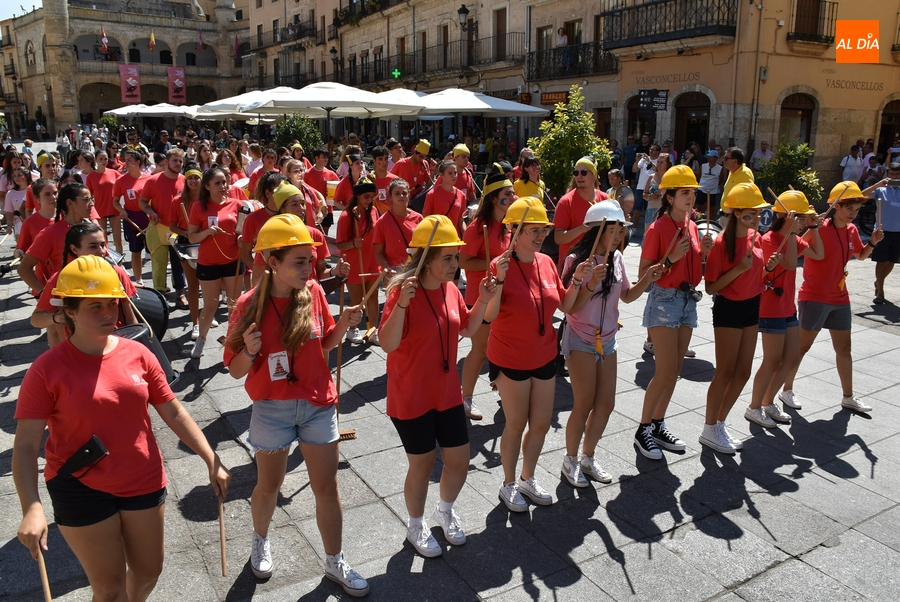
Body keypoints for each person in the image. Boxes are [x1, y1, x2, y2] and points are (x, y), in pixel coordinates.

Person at [14, 255, 230, 602]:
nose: (107, 314)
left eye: (112, 304)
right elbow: (26, 445)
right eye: (94, 306)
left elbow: (173, 410)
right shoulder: (45, 369)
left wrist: (211, 458)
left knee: (148, 572)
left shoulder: (139, 353)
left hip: (142, 476)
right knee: (110, 590)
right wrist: (31, 506)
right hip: (79, 484)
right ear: (69, 312)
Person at [223, 214, 368, 596]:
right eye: (300, 261)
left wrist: (344, 324)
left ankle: (335, 561)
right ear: (272, 262)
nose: (309, 268)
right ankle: (260, 539)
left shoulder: (314, 293)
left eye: (311, 260)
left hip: (318, 404)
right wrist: (249, 350)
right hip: (272, 408)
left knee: (327, 487)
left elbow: (325, 344)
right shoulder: (248, 305)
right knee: (269, 485)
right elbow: (235, 370)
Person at [379, 215, 497, 556]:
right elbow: (387, 343)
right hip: (411, 394)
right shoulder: (402, 293)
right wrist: (402, 304)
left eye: (456, 257)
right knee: (423, 463)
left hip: (445, 392)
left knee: (460, 460)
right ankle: (415, 525)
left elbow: (467, 328)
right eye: (448, 257)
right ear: (427, 260)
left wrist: (483, 299)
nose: (455, 264)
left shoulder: (450, 289)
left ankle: (444, 511)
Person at [559, 201, 662, 486]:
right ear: (597, 231)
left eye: (621, 230)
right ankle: (570, 459)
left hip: (607, 340)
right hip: (580, 336)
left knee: (606, 403)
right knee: (584, 404)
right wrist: (590, 282)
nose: (619, 236)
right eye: (613, 230)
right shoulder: (576, 261)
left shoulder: (617, 258)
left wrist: (648, 279)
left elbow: (627, 296)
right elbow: (569, 307)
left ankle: (588, 456)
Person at [485, 197, 567, 511]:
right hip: (510, 356)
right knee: (516, 423)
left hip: (544, 354)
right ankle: (508, 483)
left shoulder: (546, 262)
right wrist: (500, 279)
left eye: (544, 229)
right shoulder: (500, 265)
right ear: (515, 232)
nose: (541, 235)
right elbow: (489, 315)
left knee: (542, 423)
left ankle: (527, 478)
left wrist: (582, 282)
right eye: (534, 230)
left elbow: (565, 303)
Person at [780, 182, 884, 413]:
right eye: (849, 208)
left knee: (844, 349)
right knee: (802, 347)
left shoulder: (852, 230)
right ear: (836, 206)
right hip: (814, 295)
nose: (853, 214)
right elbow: (794, 246)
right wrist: (811, 226)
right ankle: (786, 390)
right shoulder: (821, 227)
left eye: (856, 209)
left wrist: (873, 243)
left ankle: (848, 396)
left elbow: (861, 255)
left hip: (840, 297)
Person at [635, 165, 713, 460]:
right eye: (684, 192)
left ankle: (657, 423)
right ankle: (643, 429)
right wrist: (670, 259)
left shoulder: (692, 225)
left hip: (688, 300)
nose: (690, 197)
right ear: (669, 197)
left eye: (692, 192)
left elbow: (693, 268)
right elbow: (644, 275)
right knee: (666, 371)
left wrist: (704, 254)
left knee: (675, 371)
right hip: (665, 300)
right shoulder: (658, 228)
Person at [700, 184, 778, 453]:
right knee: (725, 372)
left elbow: (757, 276)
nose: (756, 217)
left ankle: (719, 424)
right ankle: (709, 427)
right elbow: (711, 286)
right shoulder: (722, 243)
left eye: (758, 212)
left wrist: (768, 268)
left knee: (743, 372)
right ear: (735, 213)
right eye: (750, 213)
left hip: (752, 306)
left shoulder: (757, 237)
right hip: (728, 308)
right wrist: (738, 270)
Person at [747, 191, 824, 426]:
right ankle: (754, 407)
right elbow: (790, 264)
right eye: (800, 218)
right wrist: (792, 232)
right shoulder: (768, 239)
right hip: (770, 307)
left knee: (790, 358)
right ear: (787, 217)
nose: (803, 222)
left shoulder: (793, 238)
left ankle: (768, 401)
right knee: (772, 360)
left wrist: (814, 228)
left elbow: (818, 253)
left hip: (788, 307)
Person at [458, 170, 514, 421]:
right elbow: (463, 261)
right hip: (480, 296)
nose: (512, 197)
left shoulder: (508, 225)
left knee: (503, 345)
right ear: (493, 198)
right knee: (480, 349)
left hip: (503, 296)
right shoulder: (477, 227)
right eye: (507, 194)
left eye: (513, 193)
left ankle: (505, 388)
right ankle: (465, 398)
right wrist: (493, 263)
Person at [31, 222, 138, 345]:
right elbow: (36, 319)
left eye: (103, 245)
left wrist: (135, 345)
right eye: (93, 246)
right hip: (77, 349)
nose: (101, 251)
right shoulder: (61, 278)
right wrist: (57, 317)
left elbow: (131, 318)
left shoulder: (116, 272)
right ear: (74, 249)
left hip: (114, 344)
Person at [187, 167, 243, 358]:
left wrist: (241, 239)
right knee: (211, 305)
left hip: (233, 261)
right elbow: (192, 237)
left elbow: (240, 232)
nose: (222, 186)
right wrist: (207, 232)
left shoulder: (236, 204)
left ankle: (233, 343)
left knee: (234, 306)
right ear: (208, 186)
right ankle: (201, 340)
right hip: (208, 262)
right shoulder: (199, 207)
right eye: (217, 183)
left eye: (224, 182)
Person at [19, 182, 97, 310]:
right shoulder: (50, 233)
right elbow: (24, 268)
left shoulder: (93, 229)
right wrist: (45, 294)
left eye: (91, 199)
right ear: (70, 203)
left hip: (96, 295)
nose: (92, 204)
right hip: (67, 302)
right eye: (86, 200)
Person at [335, 174, 381, 345]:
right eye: (366, 197)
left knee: (373, 297)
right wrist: (353, 243)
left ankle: (373, 330)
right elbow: (340, 244)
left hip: (372, 261)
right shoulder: (347, 216)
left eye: (372, 196)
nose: (369, 200)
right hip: (354, 263)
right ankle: (352, 329)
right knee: (357, 299)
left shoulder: (374, 211)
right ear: (358, 196)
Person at [139, 149, 187, 307]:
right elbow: (142, 201)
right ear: (166, 162)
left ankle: (180, 293)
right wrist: (151, 212)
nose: (178, 164)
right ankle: (159, 294)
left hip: (177, 230)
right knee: (158, 263)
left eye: (180, 161)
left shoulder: (186, 181)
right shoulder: (153, 180)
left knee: (178, 263)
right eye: (175, 160)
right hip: (158, 227)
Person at [553, 157, 610, 271]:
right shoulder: (566, 202)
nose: (579, 176)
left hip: (598, 265)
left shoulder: (605, 199)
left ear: (594, 175)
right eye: (576, 173)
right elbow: (558, 238)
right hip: (572, 267)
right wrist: (582, 228)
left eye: (584, 172)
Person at [168, 168, 204, 339]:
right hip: (186, 244)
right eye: (190, 178)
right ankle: (195, 322)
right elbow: (172, 226)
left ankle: (206, 316)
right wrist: (186, 233)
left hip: (204, 242)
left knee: (207, 285)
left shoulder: (206, 200)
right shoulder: (177, 201)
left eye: (197, 178)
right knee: (193, 284)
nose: (193, 181)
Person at [113, 150, 151, 284]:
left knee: (156, 251)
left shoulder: (149, 179)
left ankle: (160, 282)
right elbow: (115, 201)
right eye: (125, 160)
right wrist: (122, 211)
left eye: (130, 160)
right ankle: (139, 280)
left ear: (138, 162)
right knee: (136, 251)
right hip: (131, 217)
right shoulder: (121, 181)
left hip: (148, 217)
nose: (126, 163)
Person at [373, 178, 423, 277]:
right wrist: (387, 268)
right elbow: (378, 252)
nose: (401, 196)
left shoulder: (419, 218)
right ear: (390, 197)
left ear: (409, 195)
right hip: (394, 272)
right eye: (397, 193)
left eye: (404, 193)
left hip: (416, 269)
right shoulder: (382, 222)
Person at [870, 164, 900, 304]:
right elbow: (861, 195)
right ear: (887, 174)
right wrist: (878, 184)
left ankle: (879, 280)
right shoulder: (880, 190)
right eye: (892, 174)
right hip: (882, 231)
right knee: (881, 261)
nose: (894, 177)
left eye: (897, 174)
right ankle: (880, 291)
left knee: (891, 261)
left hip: (898, 231)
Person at [86, 151, 123, 255]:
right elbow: (88, 195)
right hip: (100, 210)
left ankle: (119, 262)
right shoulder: (91, 177)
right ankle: (105, 259)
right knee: (102, 241)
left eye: (105, 159)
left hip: (114, 209)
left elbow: (122, 187)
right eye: (101, 159)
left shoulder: (114, 173)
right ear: (95, 160)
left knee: (118, 240)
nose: (103, 161)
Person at [424, 160, 467, 239]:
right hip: (438, 240)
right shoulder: (432, 194)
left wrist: (466, 234)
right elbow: (426, 219)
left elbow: (461, 221)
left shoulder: (462, 195)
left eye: (455, 173)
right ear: (441, 175)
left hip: (455, 240)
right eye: (450, 173)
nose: (454, 176)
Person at [631, 145, 659, 230]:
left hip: (652, 188)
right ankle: (634, 228)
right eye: (650, 149)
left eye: (653, 150)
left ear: (658, 152)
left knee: (650, 210)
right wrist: (637, 160)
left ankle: (650, 229)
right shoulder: (643, 159)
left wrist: (649, 162)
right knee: (637, 209)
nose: (651, 151)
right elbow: (634, 170)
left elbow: (658, 170)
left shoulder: (659, 160)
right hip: (640, 187)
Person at [369, 145, 400, 214]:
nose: (384, 162)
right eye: (380, 159)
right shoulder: (368, 180)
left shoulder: (395, 180)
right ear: (374, 161)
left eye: (386, 158)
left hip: (392, 216)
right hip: (373, 217)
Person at [2, 166, 30, 238]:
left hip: (35, 222)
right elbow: (9, 212)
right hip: (19, 225)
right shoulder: (10, 193)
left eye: (19, 175)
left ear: (27, 176)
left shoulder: (34, 190)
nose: (16, 178)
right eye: (14, 176)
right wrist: (9, 225)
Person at [698, 150, 723, 219]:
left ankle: (711, 221)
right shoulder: (703, 166)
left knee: (712, 209)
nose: (709, 158)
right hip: (701, 190)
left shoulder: (720, 168)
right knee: (698, 207)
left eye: (711, 157)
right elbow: (699, 176)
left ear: (715, 158)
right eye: (708, 156)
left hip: (712, 192)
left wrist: (713, 185)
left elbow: (721, 179)